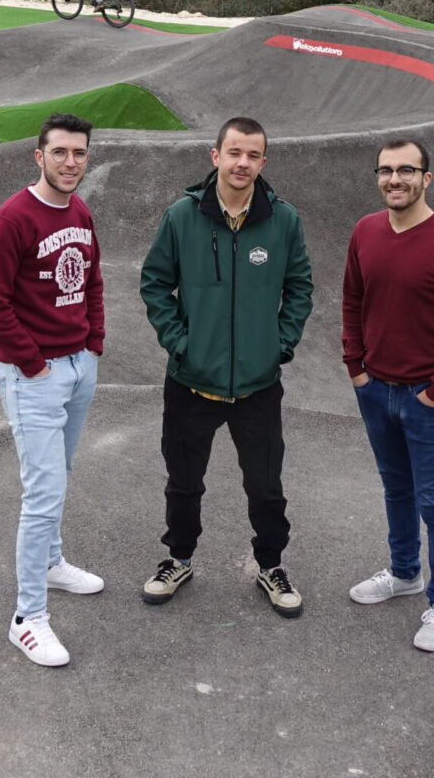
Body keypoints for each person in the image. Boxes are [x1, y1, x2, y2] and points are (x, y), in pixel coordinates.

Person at [138, 117, 314, 617]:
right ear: (214, 155)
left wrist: (278, 345)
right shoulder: (181, 216)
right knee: (184, 481)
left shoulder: (283, 220)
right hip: (191, 381)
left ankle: (272, 565)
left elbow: (300, 288)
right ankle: (179, 557)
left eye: (253, 155)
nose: (243, 163)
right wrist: (181, 344)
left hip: (258, 385)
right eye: (234, 152)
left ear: (264, 162)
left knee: (265, 485)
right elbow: (154, 284)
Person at [342, 138, 434, 653]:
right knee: (396, 490)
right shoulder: (365, 232)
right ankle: (404, 573)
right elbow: (353, 300)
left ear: (427, 178)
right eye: (385, 170)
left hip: (429, 399)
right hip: (375, 390)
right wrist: (356, 369)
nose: (394, 179)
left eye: (407, 170)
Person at [0, 112, 107, 667]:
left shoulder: (79, 210)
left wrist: (94, 342)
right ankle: (27, 618)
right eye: (60, 152)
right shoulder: (11, 219)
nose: (71, 162)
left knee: (61, 475)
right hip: (34, 375)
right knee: (42, 494)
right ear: (39, 155)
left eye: (79, 152)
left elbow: (94, 279)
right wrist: (32, 364)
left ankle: (52, 563)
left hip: (78, 365)